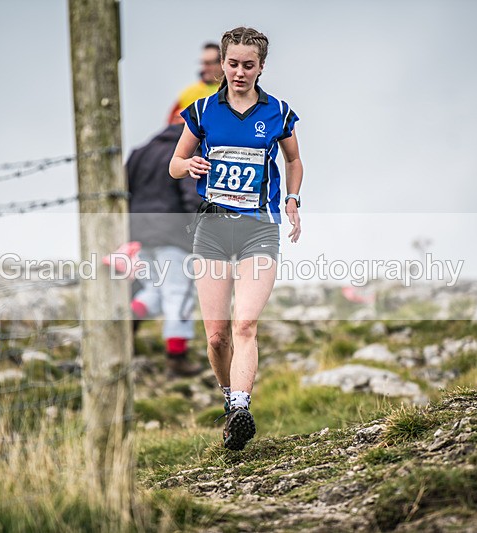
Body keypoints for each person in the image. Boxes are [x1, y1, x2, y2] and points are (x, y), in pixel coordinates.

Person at [169, 27, 303, 450]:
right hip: (211, 229)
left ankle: (242, 408)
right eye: (233, 64)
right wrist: (187, 166)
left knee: (245, 323)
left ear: (261, 67)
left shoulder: (278, 111)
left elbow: (294, 159)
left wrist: (293, 199)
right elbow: (175, 162)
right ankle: (230, 399)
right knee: (217, 336)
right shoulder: (203, 109)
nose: (240, 72)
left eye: (249, 65)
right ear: (222, 65)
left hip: (259, 229)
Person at [126, 122, 204, 377]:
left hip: (139, 233)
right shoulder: (186, 153)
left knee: (154, 290)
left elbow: (125, 190)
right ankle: (177, 357)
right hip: (173, 235)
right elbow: (192, 195)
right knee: (178, 294)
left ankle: (129, 318)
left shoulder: (140, 152)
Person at [167, 42, 224, 125]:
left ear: (222, 63)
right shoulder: (188, 92)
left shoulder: (232, 90)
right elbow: (171, 124)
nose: (204, 68)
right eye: (203, 63)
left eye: (209, 63)